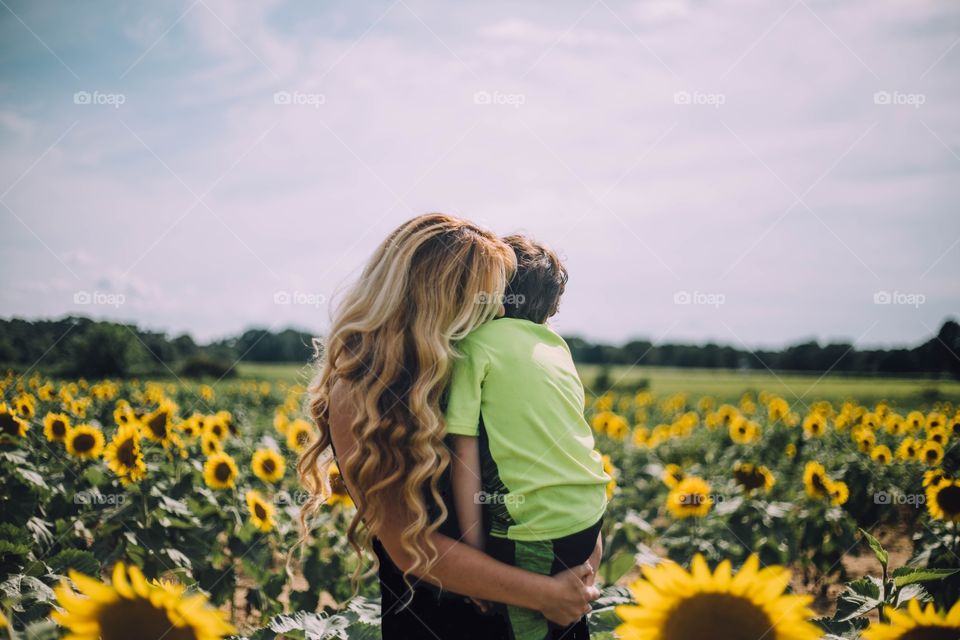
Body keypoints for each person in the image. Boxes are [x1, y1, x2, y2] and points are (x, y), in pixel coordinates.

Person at [297, 214, 600, 640]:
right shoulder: (360, 393)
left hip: (550, 604)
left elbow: (567, 456)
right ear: (434, 298)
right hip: (443, 621)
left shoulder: (476, 368)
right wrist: (544, 593)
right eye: (487, 297)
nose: (499, 310)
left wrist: (584, 558)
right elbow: (408, 545)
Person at [448, 234, 608, 640]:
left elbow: (463, 451)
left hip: (535, 527)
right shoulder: (557, 347)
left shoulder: (474, 345)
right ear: (552, 306)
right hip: (589, 513)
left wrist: (476, 562)